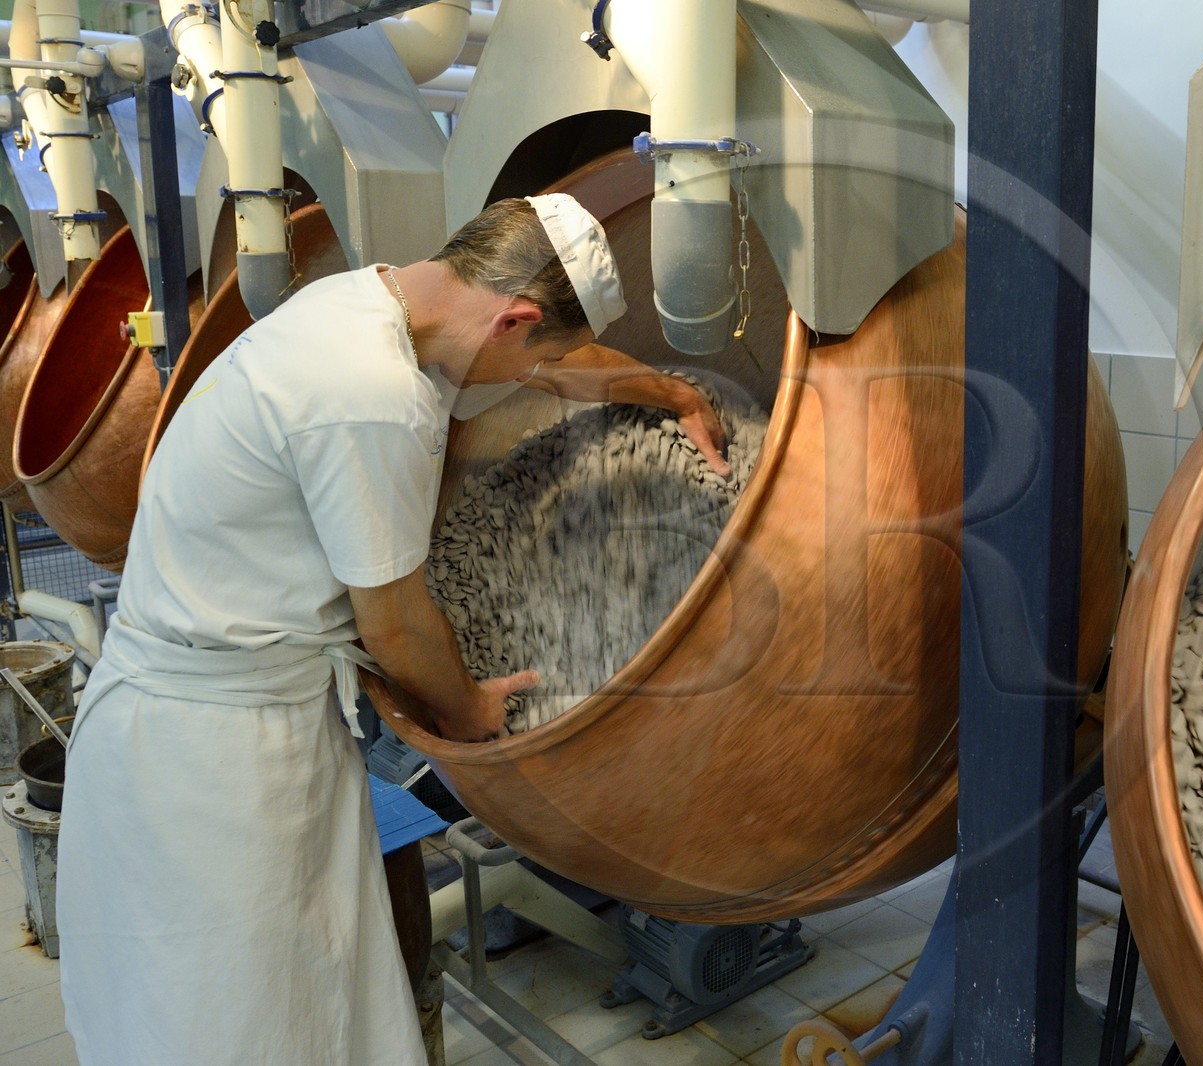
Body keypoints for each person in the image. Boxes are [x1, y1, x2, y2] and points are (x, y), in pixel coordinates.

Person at [55, 194, 726, 1064]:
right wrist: (474, 713)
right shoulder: (371, 394)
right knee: (245, 1019)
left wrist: (672, 393)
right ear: (513, 316)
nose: (540, 370)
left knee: (297, 996)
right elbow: (400, 625)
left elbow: (562, 367)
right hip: (218, 759)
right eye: (537, 347)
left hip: (203, 703)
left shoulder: (372, 303)